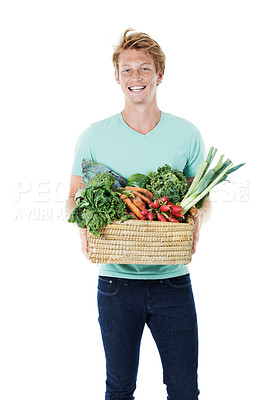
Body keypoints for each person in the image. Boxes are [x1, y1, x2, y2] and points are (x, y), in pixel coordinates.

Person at [66, 29, 211, 400]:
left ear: (159, 74)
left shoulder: (187, 134)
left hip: (173, 282)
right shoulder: (95, 136)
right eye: (127, 69)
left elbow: (202, 198)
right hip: (115, 283)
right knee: (119, 389)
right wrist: (83, 220)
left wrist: (197, 220)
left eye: (144, 68)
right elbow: (72, 197)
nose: (136, 77)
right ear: (117, 77)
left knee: (183, 390)